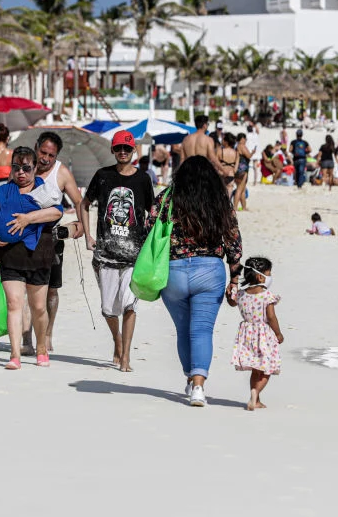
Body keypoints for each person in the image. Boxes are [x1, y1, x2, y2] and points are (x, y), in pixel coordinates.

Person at [160, 155, 243, 407]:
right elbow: (233, 240)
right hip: (209, 270)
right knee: (202, 330)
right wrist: (234, 278)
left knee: (183, 329)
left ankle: (189, 375)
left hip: (173, 271)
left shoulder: (167, 198)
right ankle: (198, 386)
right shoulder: (219, 200)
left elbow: (149, 226)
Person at [0, 146, 64, 369]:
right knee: (14, 304)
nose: (21, 172)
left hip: (38, 253)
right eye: (16, 167)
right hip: (9, 255)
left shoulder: (44, 191)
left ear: (35, 169)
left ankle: (41, 347)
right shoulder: (2, 192)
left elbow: (57, 211)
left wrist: (28, 219)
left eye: (26, 168)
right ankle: (15, 354)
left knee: (38, 308)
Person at [78, 130, 154, 372]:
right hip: (106, 255)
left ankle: (126, 357)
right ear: (113, 150)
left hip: (135, 255)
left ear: (133, 151)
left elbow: (152, 212)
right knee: (108, 309)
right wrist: (87, 235)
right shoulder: (103, 176)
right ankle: (117, 340)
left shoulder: (143, 179)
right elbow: (84, 203)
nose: (123, 152)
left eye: (127, 148)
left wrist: (153, 245)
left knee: (130, 305)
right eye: (119, 148)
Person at [32, 131, 84, 354]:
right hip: (24, 234)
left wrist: (82, 225)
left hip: (52, 238)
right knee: (26, 290)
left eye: (50, 155)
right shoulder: (25, 166)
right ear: (36, 148)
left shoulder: (61, 173)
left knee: (51, 291)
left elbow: (79, 201)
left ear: (56, 156)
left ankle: (48, 333)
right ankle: (26, 336)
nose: (45, 158)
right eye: (42, 152)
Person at [228, 256, 283, 411]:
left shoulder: (241, 294)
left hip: (246, 334)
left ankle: (256, 400)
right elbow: (271, 317)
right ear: (260, 276)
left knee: (256, 368)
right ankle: (255, 392)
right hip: (264, 334)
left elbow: (232, 302)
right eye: (268, 273)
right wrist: (278, 334)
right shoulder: (266, 295)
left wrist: (230, 292)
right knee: (267, 368)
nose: (270, 277)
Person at [232, 133, 252, 212]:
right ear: (242, 139)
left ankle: (244, 207)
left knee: (242, 189)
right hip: (243, 169)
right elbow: (248, 156)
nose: (246, 140)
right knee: (240, 189)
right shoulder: (242, 146)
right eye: (245, 138)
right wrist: (253, 152)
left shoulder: (236, 146)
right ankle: (235, 207)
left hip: (238, 168)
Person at [216, 133, 239, 198]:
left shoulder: (220, 151)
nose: (222, 141)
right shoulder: (236, 153)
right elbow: (235, 169)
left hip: (221, 174)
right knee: (228, 198)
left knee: (219, 195)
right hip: (231, 175)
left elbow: (215, 164)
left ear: (226, 142)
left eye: (223, 140)